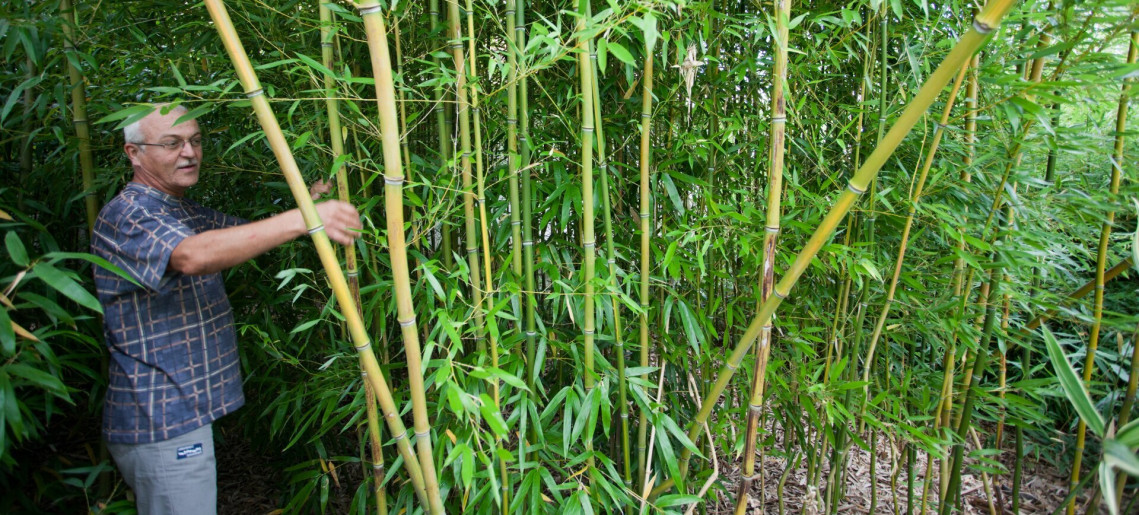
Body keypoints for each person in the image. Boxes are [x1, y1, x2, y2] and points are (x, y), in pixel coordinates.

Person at [90, 104, 360, 515]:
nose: (189, 152)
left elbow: (239, 235)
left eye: (195, 141)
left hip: (179, 417)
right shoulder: (128, 213)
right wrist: (305, 218)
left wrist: (310, 198)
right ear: (133, 153)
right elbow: (192, 256)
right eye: (172, 143)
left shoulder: (180, 209)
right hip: (162, 420)